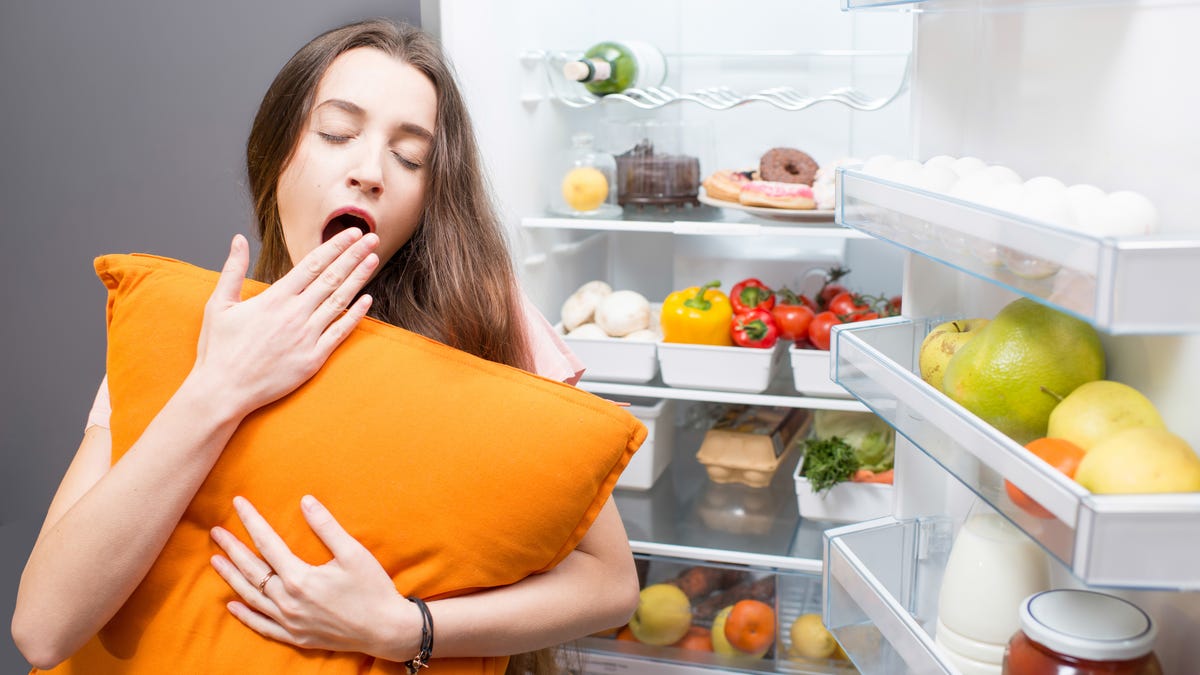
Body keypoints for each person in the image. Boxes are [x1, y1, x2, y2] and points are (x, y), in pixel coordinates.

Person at [12, 18, 640, 674]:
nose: (369, 171)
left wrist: (407, 627)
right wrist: (219, 386)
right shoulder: (181, 332)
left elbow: (610, 584)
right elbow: (43, 628)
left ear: (430, 197)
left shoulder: (488, 325)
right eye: (337, 133)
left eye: (409, 156)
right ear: (277, 152)